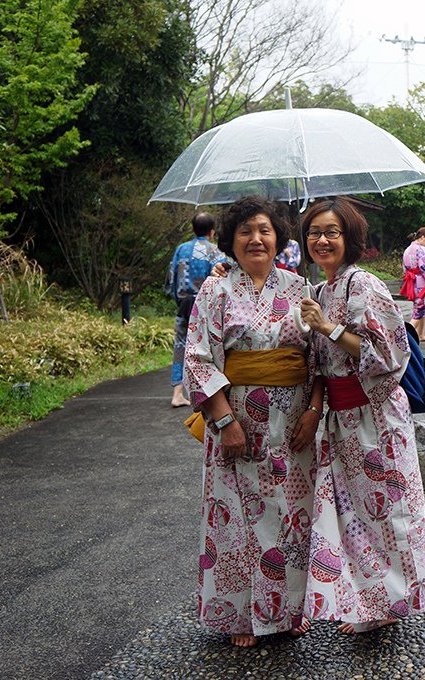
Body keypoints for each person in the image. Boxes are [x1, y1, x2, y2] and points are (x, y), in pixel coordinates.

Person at [183, 196, 320, 647]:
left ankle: (286, 611)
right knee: (236, 518)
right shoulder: (215, 290)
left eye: (264, 230)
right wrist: (224, 421)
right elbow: (199, 358)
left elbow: (318, 358)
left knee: (291, 516)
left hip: (292, 423)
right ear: (231, 241)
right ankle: (241, 614)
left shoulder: (301, 289)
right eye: (245, 231)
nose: (255, 239)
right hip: (237, 420)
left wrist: (313, 413)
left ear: (278, 237)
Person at [297, 197, 425, 635]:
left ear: (349, 238)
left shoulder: (364, 285)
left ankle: (389, 602)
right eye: (314, 232)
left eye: (331, 232)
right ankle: (367, 597)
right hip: (341, 418)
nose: (321, 240)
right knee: (351, 510)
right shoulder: (319, 291)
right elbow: (315, 362)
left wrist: (328, 329)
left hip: (376, 416)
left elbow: (390, 353)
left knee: (386, 508)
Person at [166, 212, 227, 407]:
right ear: (212, 231)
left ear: (193, 229)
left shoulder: (181, 249)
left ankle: (178, 393)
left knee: (181, 344)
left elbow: (171, 278)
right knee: (208, 348)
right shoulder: (214, 251)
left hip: (184, 303)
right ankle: (208, 393)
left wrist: (176, 298)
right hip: (205, 306)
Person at [401, 227, 425, 340]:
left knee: (420, 307)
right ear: (422, 238)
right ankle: (407, 337)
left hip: (411, 280)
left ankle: (420, 334)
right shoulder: (421, 249)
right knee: (419, 309)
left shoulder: (408, 249)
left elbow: (404, 268)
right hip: (420, 280)